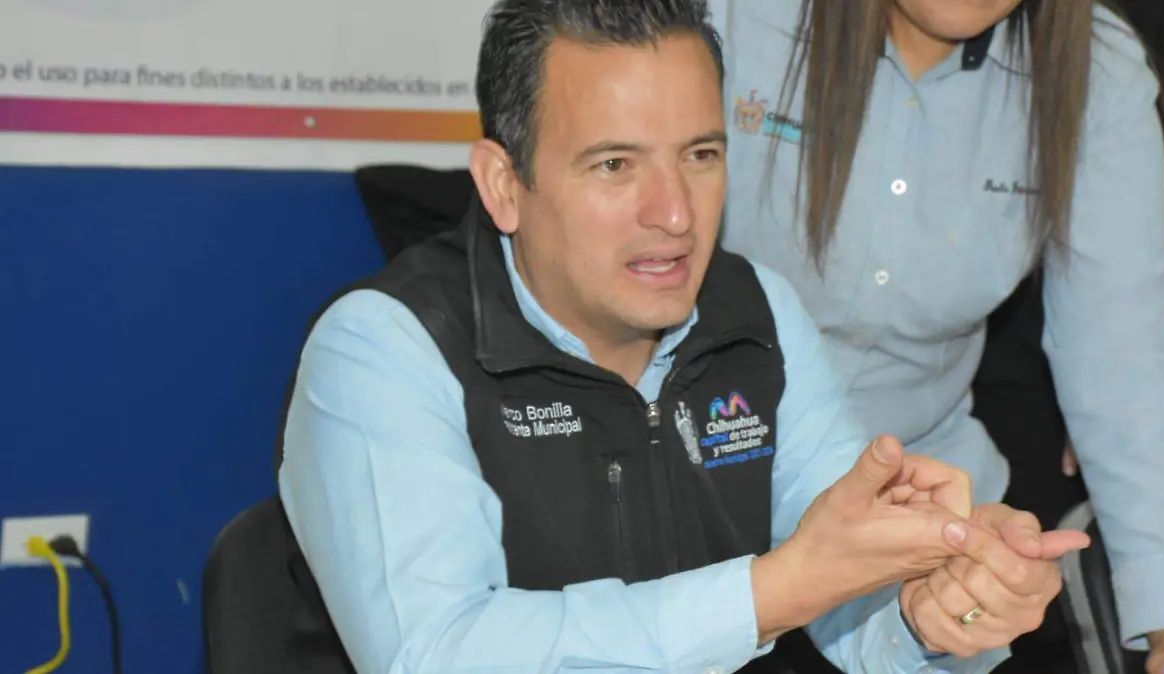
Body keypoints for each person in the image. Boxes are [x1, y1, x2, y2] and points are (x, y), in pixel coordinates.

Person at [277, 1, 1083, 672]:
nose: (674, 213)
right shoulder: (386, 347)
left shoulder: (757, 312)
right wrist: (775, 591)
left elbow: (854, 609)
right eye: (614, 165)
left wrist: (934, 605)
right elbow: (434, 654)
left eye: (700, 154)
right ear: (503, 184)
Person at [714, 0, 1164, 671]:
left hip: (923, 518)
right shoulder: (734, 17)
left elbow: (1122, 362)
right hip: (695, 476)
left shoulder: (1094, 68)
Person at [971, 0, 1164, 670]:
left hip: (1130, 352)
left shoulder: (1105, 59)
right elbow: (1114, 344)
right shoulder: (1106, 46)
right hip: (1069, 347)